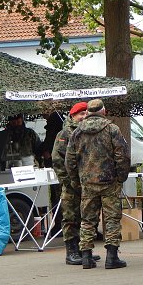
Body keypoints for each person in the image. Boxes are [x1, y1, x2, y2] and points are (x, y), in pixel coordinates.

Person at [65, 99, 130, 269]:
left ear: (89, 112)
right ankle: (112, 256)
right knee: (112, 219)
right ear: (103, 111)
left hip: (87, 182)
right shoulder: (112, 129)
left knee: (87, 220)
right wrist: (121, 176)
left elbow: (69, 160)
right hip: (109, 182)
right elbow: (122, 156)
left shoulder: (77, 132)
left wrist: (76, 180)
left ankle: (86, 257)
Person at [52, 102, 101, 265]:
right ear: (73, 115)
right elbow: (58, 160)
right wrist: (69, 182)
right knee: (71, 217)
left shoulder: (88, 131)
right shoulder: (65, 133)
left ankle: (84, 249)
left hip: (88, 183)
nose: (84, 116)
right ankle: (71, 252)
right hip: (72, 185)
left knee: (86, 217)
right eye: (81, 114)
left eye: (86, 113)